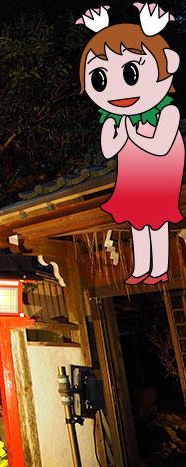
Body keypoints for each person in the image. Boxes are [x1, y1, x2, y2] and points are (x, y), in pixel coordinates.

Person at [77, 4, 184, 285]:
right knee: (138, 223)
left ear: (169, 64)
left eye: (130, 74)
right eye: (100, 79)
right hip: (132, 179)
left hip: (160, 178)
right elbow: (109, 150)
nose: (116, 91)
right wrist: (117, 131)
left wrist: (131, 134)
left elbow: (161, 146)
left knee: (157, 222)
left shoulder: (168, 112)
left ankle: (158, 267)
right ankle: (141, 268)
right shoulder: (114, 120)